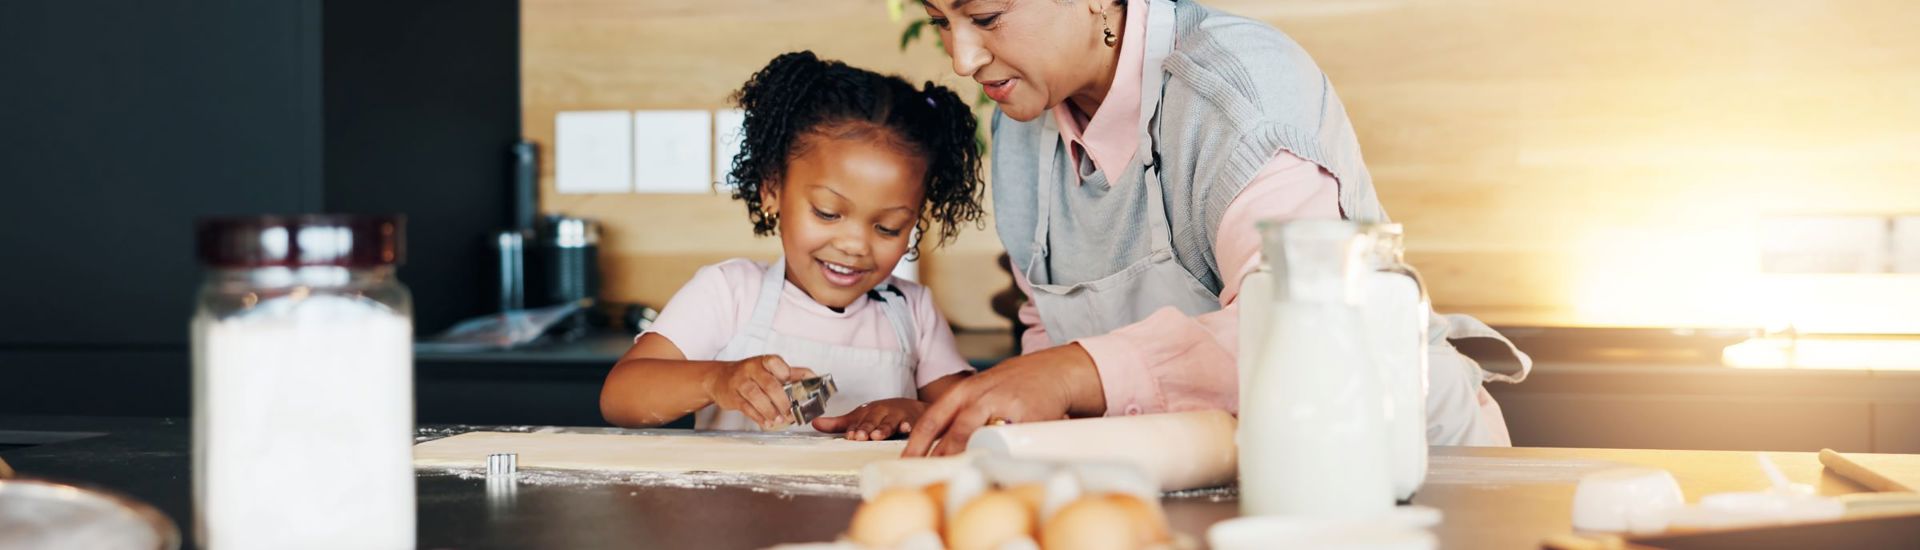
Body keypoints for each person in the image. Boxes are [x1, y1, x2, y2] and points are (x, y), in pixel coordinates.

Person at [903, 0, 1530, 457]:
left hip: (1394, 457)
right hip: (1218, 469)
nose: (963, 59)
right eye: (939, 21)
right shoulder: (1018, 127)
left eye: (984, 17)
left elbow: (1304, 329)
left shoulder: (1239, 89)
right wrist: (993, 423)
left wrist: (1073, 375)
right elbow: (1048, 322)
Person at [600, 51, 989, 440]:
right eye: (827, 213)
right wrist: (717, 380)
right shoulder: (729, 292)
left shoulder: (913, 312)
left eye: (888, 228)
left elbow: (976, 418)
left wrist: (917, 411)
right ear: (772, 190)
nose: (854, 245)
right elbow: (620, 397)